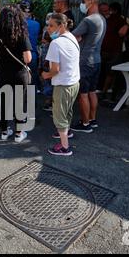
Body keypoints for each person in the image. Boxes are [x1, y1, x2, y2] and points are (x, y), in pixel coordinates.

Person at [42, 13, 80, 156]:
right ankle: (66, 132)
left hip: (63, 85)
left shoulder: (56, 43)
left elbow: (55, 70)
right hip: (74, 82)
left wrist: (46, 75)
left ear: (62, 25)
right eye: (48, 25)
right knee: (67, 111)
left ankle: (65, 147)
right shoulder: (72, 38)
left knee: (59, 115)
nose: (49, 29)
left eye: (51, 25)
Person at [0, 5, 32, 143]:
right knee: (20, 103)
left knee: (4, 102)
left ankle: (4, 131)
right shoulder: (21, 34)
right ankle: (18, 133)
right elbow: (28, 59)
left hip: (3, 72)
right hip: (19, 73)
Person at [71, 0, 107, 133]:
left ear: (91, 2)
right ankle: (92, 119)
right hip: (97, 60)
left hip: (85, 61)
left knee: (83, 94)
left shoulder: (88, 20)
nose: (82, 4)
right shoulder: (102, 19)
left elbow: (72, 36)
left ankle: (85, 123)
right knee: (92, 91)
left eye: (84, 1)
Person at [99, 3, 128, 99]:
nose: (106, 12)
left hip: (115, 50)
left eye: (107, 10)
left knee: (111, 72)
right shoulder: (99, 19)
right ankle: (101, 90)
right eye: (103, 11)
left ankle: (105, 92)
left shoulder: (119, 19)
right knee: (102, 71)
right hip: (102, 50)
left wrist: (126, 31)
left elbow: (123, 31)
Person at [20, 0, 41, 92]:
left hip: (20, 56)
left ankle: (20, 104)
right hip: (33, 55)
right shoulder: (37, 24)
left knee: (20, 83)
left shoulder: (18, 24)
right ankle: (32, 105)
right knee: (32, 83)